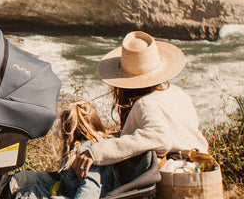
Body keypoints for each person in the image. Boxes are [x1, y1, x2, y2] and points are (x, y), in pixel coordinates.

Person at [72, 31, 208, 182]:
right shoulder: (178, 93)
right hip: (201, 168)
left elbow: (160, 139)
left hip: (176, 178)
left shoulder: (144, 103)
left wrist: (97, 152)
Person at [5, 99, 120, 199]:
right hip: (66, 190)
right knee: (22, 181)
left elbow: (90, 191)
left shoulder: (86, 154)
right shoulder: (98, 148)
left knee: (28, 195)